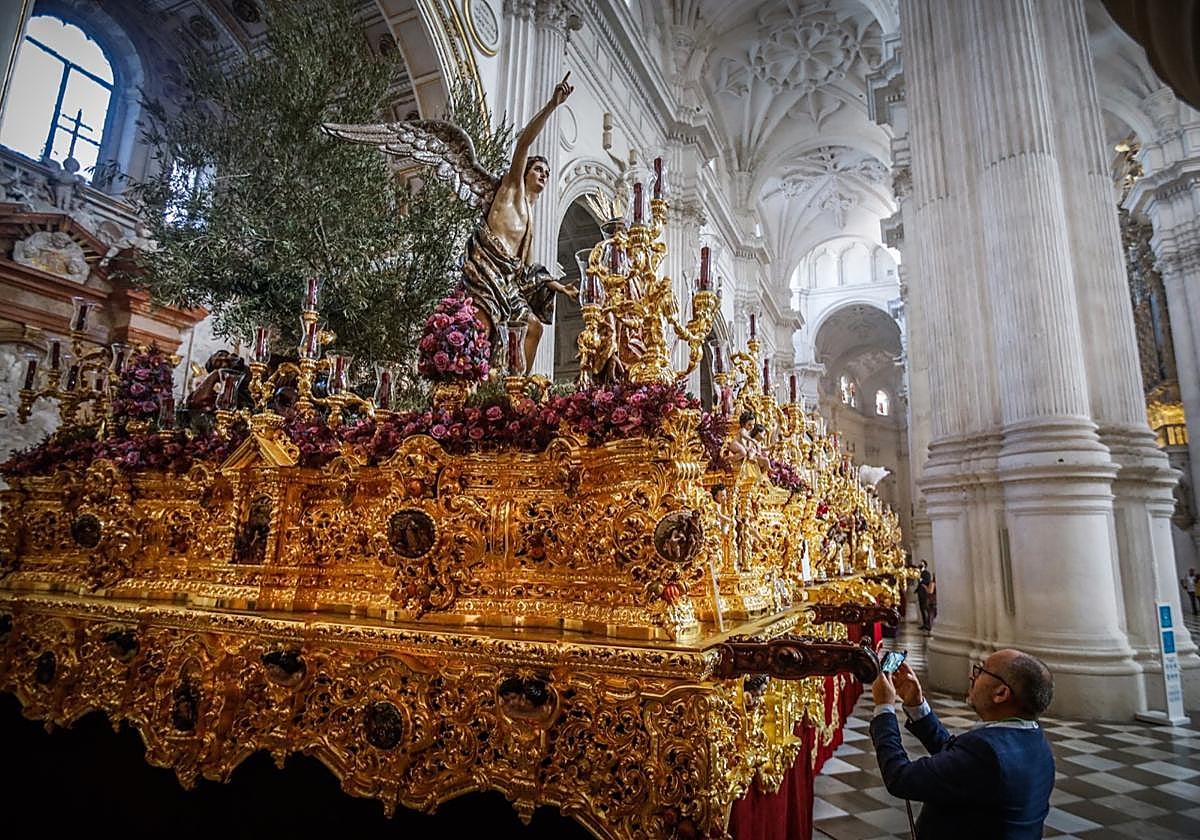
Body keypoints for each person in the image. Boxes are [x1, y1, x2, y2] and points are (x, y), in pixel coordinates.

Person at [869, 647, 1055, 838]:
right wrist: (917, 705)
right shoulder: (1034, 739)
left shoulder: (986, 753)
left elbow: (901, 778)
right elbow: (956, 761)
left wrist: (884, 708)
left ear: (1001, 693)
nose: (972, 677)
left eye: (981, 670)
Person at [463, 74, 578, 371]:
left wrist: (559, 287)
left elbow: (529, 270)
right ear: (524, 172)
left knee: (534, 328)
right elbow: (525, 142)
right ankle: (475, 382)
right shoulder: (511, 190)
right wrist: (552, 106)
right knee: (482, 328)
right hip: (487, 273)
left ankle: (518, 387)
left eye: (547, 173)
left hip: (509, 282)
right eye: (538, 169)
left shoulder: (532, 217)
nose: (543, 175)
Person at [917, 562, 933, 631]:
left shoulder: (926, 573)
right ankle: (924, 624)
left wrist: (921, 580)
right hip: (920, 593)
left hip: (924, 593)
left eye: (921, 564)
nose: (920, 565)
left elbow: (927, 581)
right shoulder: (920, 573)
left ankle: (927, 624)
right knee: (922, 609)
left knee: (925, 608)